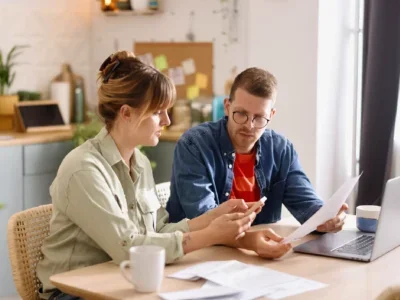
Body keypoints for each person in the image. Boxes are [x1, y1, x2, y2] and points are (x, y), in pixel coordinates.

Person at [36, 51, 274, 300]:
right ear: (126, 113)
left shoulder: (139, 162)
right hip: (72, 293)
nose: (167, 120)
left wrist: (213, 217)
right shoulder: (84, 169)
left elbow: (159, 229)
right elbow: (127, 247)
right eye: (157, 112)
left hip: (121, 280)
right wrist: (210, 235)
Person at [167, 67, 348, 238]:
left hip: (255, 252)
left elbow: (307, 204)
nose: (249, 125)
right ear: (227, 107)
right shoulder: (194, 144)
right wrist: (250, 240)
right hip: (199, 251)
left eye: (259, 117)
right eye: (241, 114)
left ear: (271, 115)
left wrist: (326, 218)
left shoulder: (281, 149)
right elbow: (205, 218)